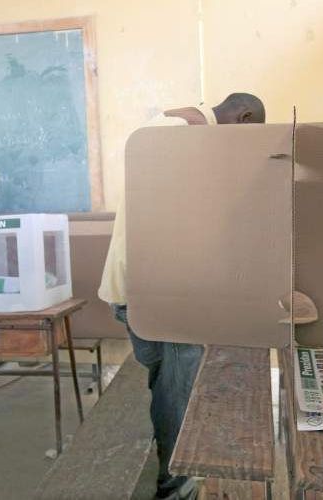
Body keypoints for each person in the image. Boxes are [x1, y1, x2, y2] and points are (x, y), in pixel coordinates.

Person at [98, 93, 266, 500]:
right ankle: (176, 489)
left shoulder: (170, 124)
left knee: (168, 386)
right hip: (161, 292)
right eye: (249, 136)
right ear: (243, 117)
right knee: (178, 395)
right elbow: (175, 223)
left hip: (141, 288)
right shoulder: (181, 137)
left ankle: (173, 470)